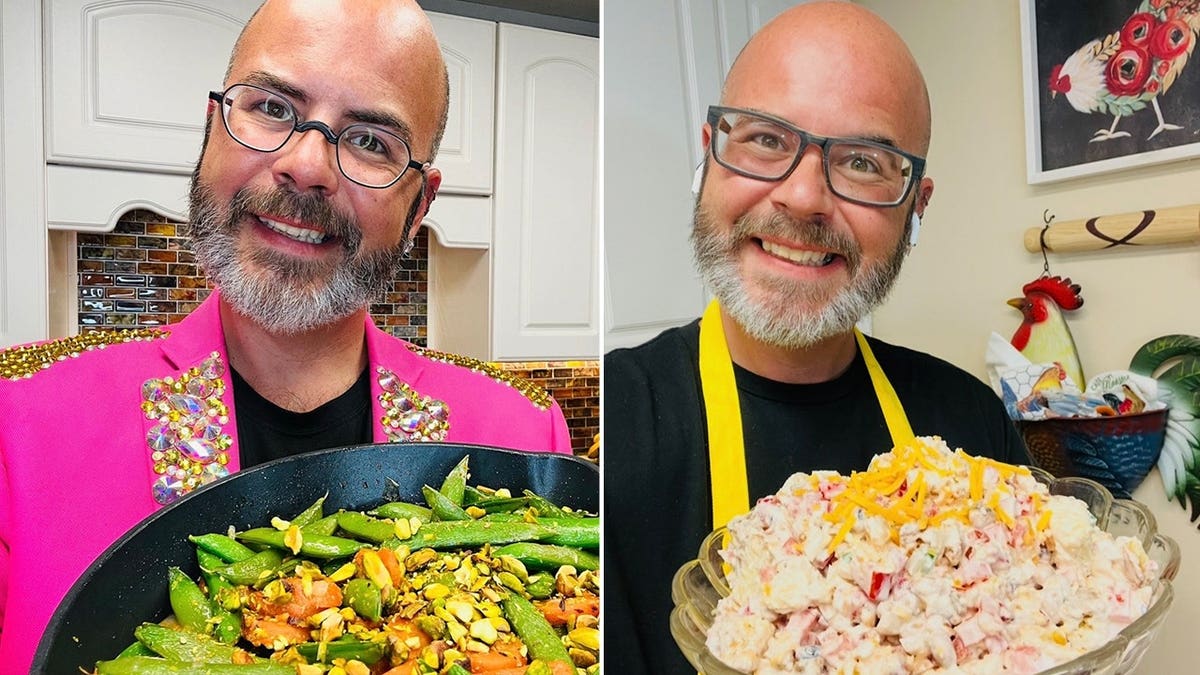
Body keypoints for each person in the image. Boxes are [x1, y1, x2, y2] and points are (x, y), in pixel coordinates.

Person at [0, 1, 572, 670]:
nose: (306, 166)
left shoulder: (524, 436)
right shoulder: (20, 421)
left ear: (418, 206)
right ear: (213, 128)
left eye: (370, 141)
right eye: (271, 107)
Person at [603, 3, 1031, 673]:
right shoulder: (613, 428)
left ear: (914, 208)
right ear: (709, 154)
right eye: (767, 140)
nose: (802, 198)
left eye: (864, 160)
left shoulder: (975, 427)